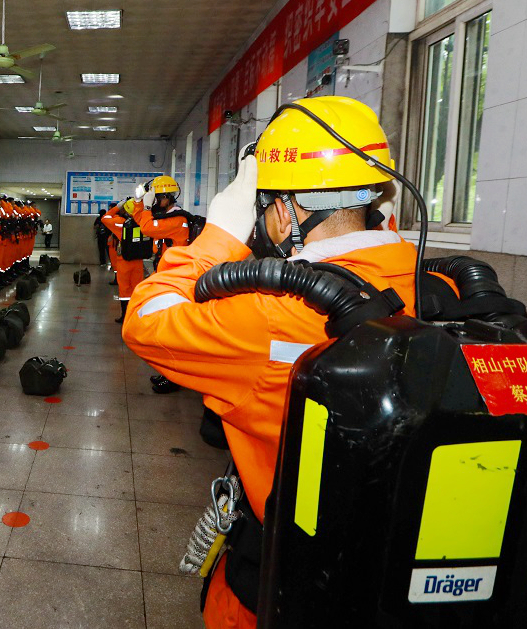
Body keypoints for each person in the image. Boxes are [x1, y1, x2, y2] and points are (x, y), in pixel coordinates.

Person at [122, 96, 412, 629]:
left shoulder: (271, 315)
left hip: (281, 581)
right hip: (390, 576)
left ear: (283, 210)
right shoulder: (436, 285)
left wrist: (221, 234)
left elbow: (145, 318)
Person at [130, 175, 192, 394]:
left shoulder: (177, 220)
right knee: (166, 328)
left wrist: (145, 206)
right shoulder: (168, 216)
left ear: (166, 197)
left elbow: (147, 227)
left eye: (156, 198)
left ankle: (175, 377)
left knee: (172, 331)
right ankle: (168, 372)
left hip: (176, 280)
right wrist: (139, 202)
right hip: (168, 275)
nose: (154, 202)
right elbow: (141, 220)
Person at [101, 199, 145, 323]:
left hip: (124, 260)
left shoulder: (120, 223)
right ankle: (136, 314)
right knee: (137, 288)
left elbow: (105, 218)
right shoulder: (143, 222)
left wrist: (117, 207)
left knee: (125, 289)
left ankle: (125, 315)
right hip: (138, 260)